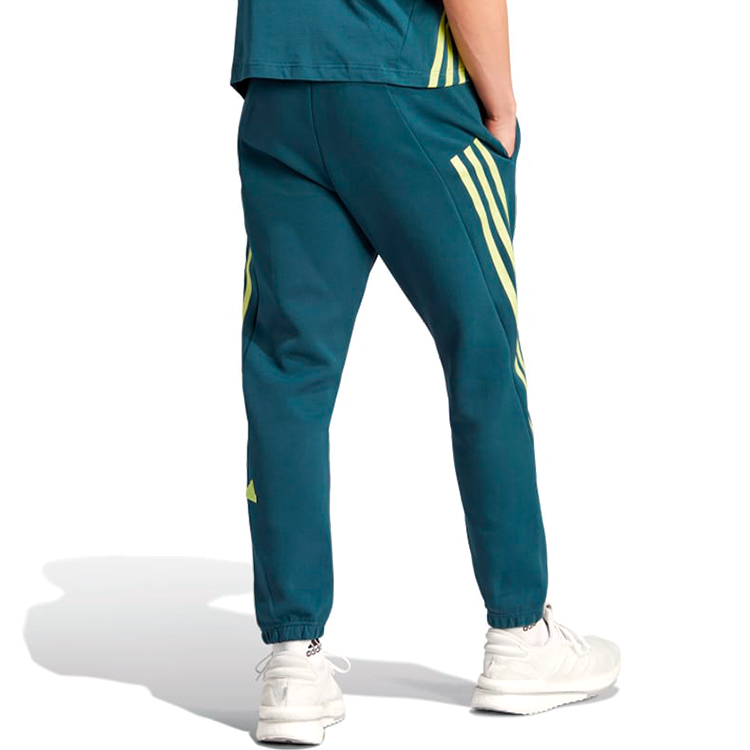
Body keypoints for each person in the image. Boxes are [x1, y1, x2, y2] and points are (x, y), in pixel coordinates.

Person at [231, 0, 620, 742]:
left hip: (277, 83)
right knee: (484, 353)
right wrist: (501, 108)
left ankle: (292, 662)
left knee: (289, 375)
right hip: (405, 80)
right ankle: (519, 635)